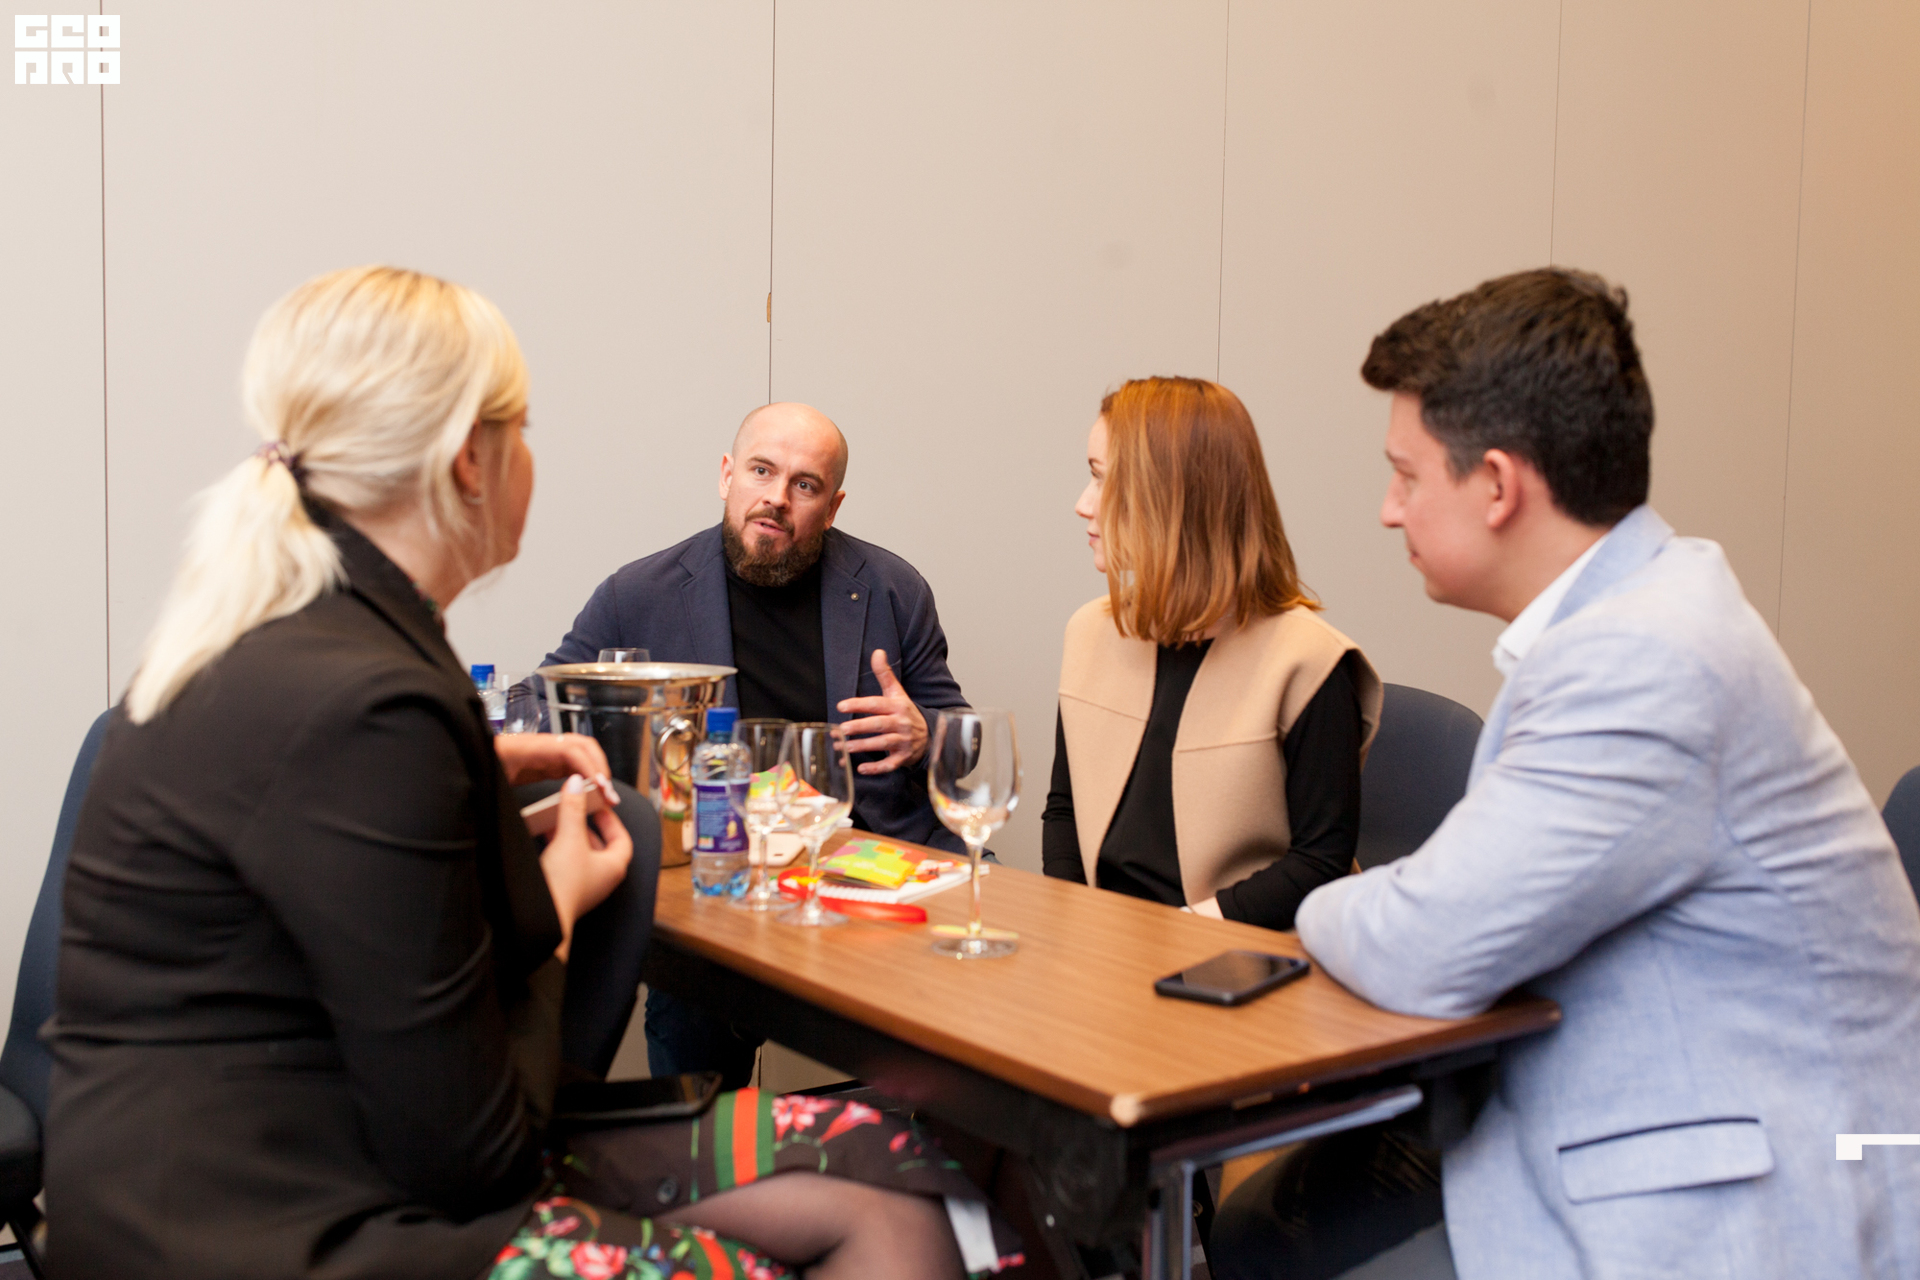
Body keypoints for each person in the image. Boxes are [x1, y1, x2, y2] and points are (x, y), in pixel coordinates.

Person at [45, 266, 1018, 1280]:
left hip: (319, 1143)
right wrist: (560, 895)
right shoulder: (370, 705)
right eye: (526, 431)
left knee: (890, 1166)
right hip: (291, 1216)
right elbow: (468, 1150)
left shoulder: (321, 648)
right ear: (472, 461)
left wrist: (466, 767)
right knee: (856, 1231)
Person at [1217, 268, 1920, 1279]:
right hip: (1637, 1120)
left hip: (1742, 1203)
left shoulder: (1644, 659)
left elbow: (1428, 944)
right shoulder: (1637, 619)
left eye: (1407, 476)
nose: (1387, 510)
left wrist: (1326, 901)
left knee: (1276, 1240)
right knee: (1262, 1228)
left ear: (1498, 486)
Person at [535, 401, 971, 1085]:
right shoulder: (638, 594)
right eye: (762, 471)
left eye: (805, 484)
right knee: (692, 1026)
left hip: (867, 867)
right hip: (717, 877)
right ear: (726, 475)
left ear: (833, 506)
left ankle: (911, 1142)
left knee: (956, 1042)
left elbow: (961, 740)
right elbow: (543, 704)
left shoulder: (892, 589)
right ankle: (705, 1143)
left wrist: (923, 735)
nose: (777, 498)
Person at [1040, 376, 1380, 929]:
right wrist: (1080, 929)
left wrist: (1177, 937)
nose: (1082, 504)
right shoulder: (1090, 632)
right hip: (1108, 945)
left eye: (1102, 479)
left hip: (1241, 949)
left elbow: (1320, 864)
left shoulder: (1310, 661)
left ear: (1172, 497)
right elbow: (1065, 811)